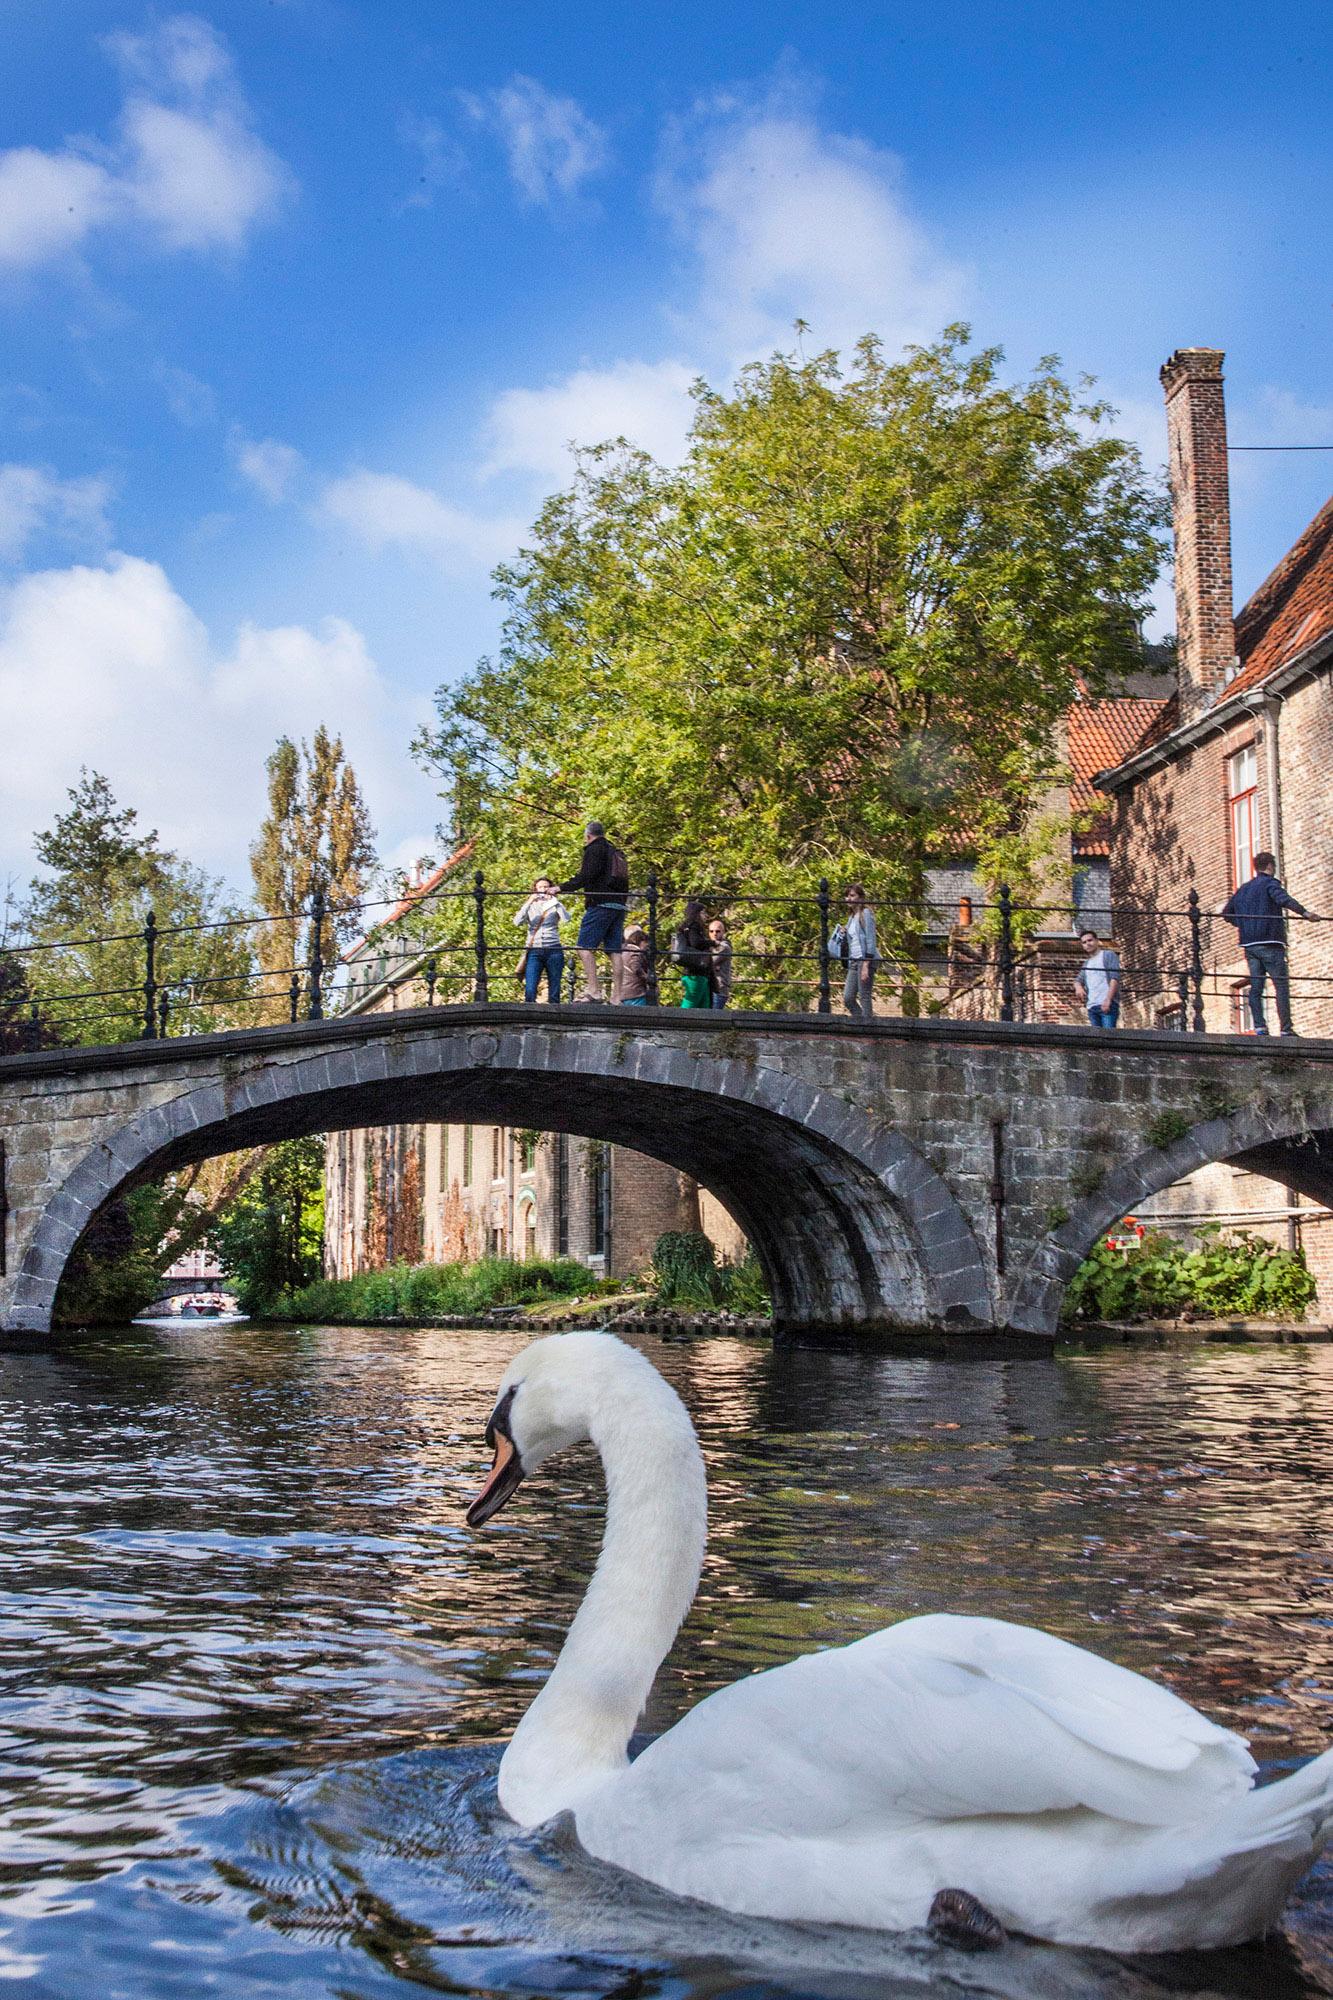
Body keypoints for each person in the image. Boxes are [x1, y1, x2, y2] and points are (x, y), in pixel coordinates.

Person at [1220, 852, 1321, 1036]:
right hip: (1270, 941)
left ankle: (1260, 1026)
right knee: (1280, 985)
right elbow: (1284, 900)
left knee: (1256, 986)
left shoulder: (1243, 889)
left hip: (1249, 944)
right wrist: (1306, 913)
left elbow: (1227, 913)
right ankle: (1286, 1029)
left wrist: (1243, 923)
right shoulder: (1270, 883)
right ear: (1269, 866)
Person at [560, 820, 630, 1002]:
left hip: (600, 903)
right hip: (619, 905)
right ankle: (617, 997)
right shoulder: (613, 850)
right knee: (614, 951)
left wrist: (561, 888)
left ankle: (594, 990)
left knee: (583, 947)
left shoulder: (594, 849)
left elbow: (586, 876)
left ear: (588, 836)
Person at [513, 876, 569, 1004]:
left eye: (546, 887)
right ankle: (529, 1013)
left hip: (554, 948)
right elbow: (517, 922)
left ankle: (555, 1015)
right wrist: (529, 902)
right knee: (531, 987)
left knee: (555, 986)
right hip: (535, 950)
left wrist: (556, 902)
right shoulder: (531, 906)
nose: (543, 890)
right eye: (540, 887)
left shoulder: (554, 904)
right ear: (535, 890)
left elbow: (566, 919)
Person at [832, 885, 877, 1018]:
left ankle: (868, 1026)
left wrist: (866, 964)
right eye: (847, 896)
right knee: (848, 997)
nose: (849, 899)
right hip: (854, 960)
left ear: (860, 898)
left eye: (852, 896)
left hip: (864, 960)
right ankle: (860, 1021)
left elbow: (870, 940)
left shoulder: (866, 914)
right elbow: (854, 938)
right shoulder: (851, 917)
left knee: (864, 995)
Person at [672, 899, 715, 1008]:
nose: (706, 916)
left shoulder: (688, 927)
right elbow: (696, 942)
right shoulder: (694, 926)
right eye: (703, 912)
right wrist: (713, 943)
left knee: (704, 1005)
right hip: (696, 973)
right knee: (690, 1004)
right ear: (697, 914)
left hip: (697, 973)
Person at [1075, 929, 1121, 1029]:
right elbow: (1078, 980)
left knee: (1108, 1038)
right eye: (1084, 942)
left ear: (1097, 941)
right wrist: (1078, 987)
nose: (1088, 944)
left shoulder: (1108, 955)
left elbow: (1115, 979)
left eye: (1090, 940)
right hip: (1092, 1007)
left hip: (1107, 1004)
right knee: (1096, 1042)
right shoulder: (1087, 963)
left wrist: (1108, 999)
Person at [620, 924, 653, 1005]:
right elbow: (635, 967)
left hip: (625, 991)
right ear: (640, 941)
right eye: (645, 942)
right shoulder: (635, 952)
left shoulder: (625, 950)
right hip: (635, 992)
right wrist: (647, 977)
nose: (646, 945)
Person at [708, 917, 733, 1010]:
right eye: (711, 931)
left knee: (712, 1017)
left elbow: (709, 962)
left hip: (719, 989)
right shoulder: (712, 946)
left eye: (718, 931)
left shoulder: (724, 947)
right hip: (712, 988)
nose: (714, 933)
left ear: (723, 932)